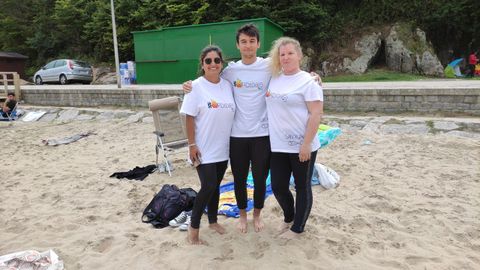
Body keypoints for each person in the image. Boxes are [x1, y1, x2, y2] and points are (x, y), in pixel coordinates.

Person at [183, 24, 322, 233]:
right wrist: (188, 85)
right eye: (243, 42)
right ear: (238, 45)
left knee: (259, 179)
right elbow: (210, 79)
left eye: (251, 41)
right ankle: (242, 214)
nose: (248, 45)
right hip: (237, 136)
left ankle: (257, 214)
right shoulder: (230, 70)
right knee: (239, 179)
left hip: (262, 135)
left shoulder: (269, 67)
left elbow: (292, 75)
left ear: (258, 44)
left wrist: (315, 76)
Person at [266, 37, 323, 239]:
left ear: (299, 55)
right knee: (278, 186)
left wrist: (306, 144)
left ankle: (298, 228)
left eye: (290, 53)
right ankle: (289, 217)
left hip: (302, 145)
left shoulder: (309, 81)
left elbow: (316, 114)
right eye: (282, 54)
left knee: (302, 186)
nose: (286, 57)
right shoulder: (273, 78)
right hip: (278, 145)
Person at [180, 45, 236, 245]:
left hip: (223, 148)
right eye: (208, 61)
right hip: (202, 148)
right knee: (208, 185)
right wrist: (192, 144)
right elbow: (189, 117)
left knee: (216, 186)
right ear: (202, 64)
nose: (213, 64)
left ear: (222, 63)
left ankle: (213, 221)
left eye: (217, 60)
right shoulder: (195, 87)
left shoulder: (227, 85)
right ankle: (193, 229)